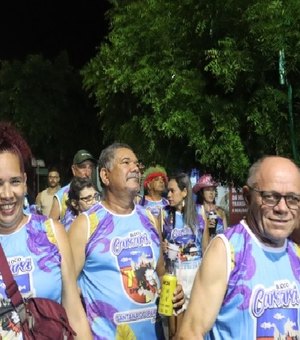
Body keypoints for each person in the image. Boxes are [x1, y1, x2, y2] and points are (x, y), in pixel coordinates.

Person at [68, 142, 184, 339]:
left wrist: (174, 291)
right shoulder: (86, 224)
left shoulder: (149, 218)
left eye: (137, 164)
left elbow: (160, 271)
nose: (135, 169)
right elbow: (67, 289)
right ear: (105, 176)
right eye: (126, 162)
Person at [177, 156, 300, 339]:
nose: (282, 208)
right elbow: (190, 332)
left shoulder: (296, 254)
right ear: (247, 196)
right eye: (271, 197)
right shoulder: (226, 250)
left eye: (292, 199)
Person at [0, 122, 92, 339]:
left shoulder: (52, 232)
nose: (6, 194)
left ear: (24, 182)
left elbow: (74, 312)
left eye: (14, 182)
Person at [163, 173, 207, 338]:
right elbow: (160, 249)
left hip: (196, 275)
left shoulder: (199, 211)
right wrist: (163, 247)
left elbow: (206, 247)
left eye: (172, 191)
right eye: (168, 191)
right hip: (175, 275)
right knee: (176, 332)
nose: (168, 195)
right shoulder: (165, 214)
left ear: (184, 192)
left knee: (195, 330)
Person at [49, 149, 96, 221]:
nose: (87, 172)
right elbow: (50, 227)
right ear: (74, 169)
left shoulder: (96, 194)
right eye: (83, 167)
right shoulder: (61, 195)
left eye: (90, 167)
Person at [193, 174, 227, 239]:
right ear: (201, 192)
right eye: (208, 189)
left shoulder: (220, 212)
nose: (211, 193)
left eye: (213, 189)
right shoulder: (196, 210)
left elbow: (225, 236)